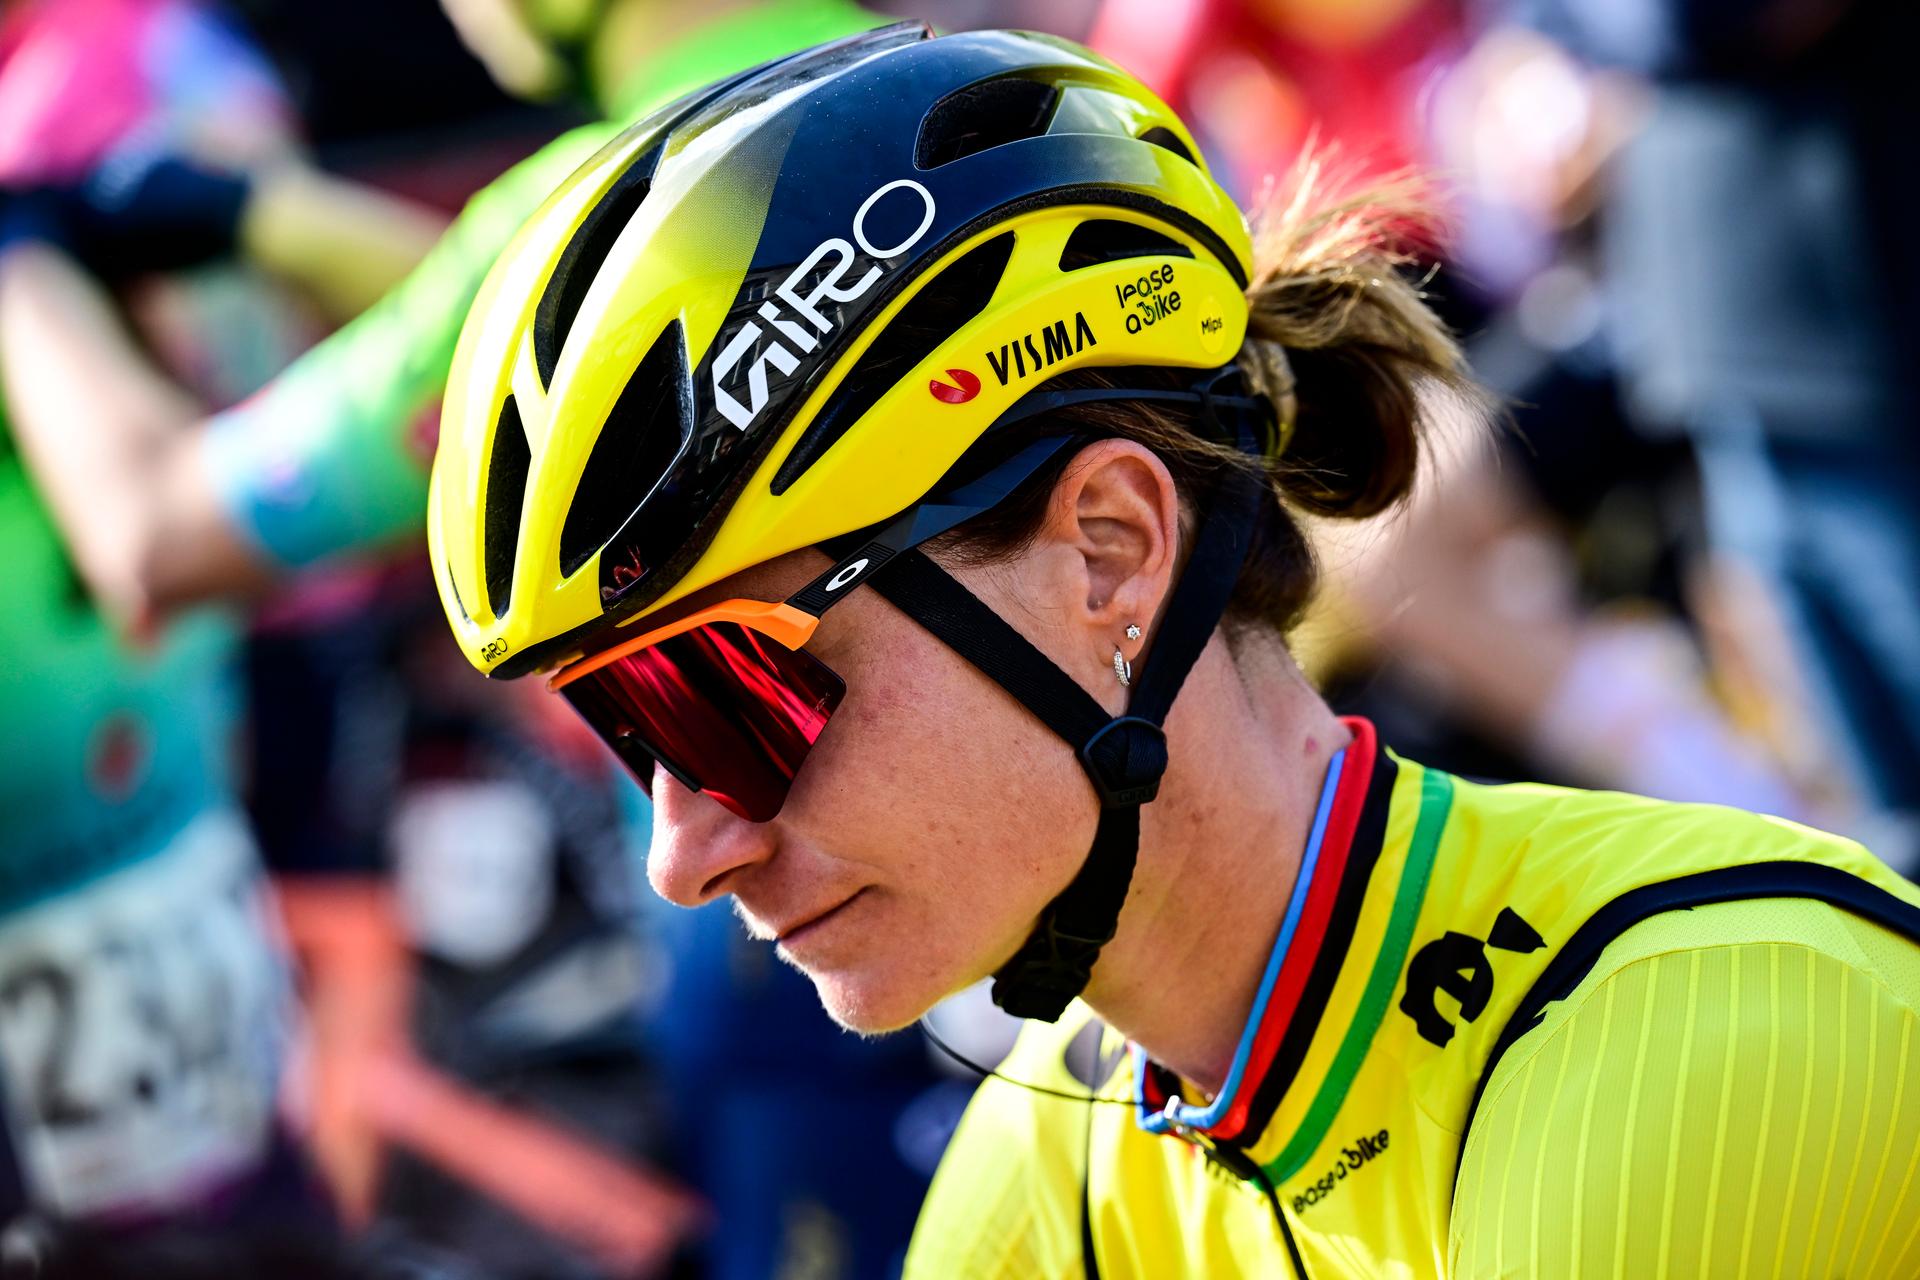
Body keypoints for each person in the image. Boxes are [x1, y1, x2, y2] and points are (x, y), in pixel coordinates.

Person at [425, 23, 1920, 1277]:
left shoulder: (1703, 1035)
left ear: (1110, 550)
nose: (681, 855)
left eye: (725, 697)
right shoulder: (1056, 1145)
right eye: (630, 731)